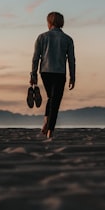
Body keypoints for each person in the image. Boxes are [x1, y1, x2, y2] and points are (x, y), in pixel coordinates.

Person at [30, 11, 75, 139]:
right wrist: (73, 76)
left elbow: (35, 58)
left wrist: (33, 74)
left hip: (45, 72)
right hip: (60, 72)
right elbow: (71, 60)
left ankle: (46, 122)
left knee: (51, 98)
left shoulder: (41, 37)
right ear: (61, 23)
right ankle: (50, 130)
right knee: (55, 100)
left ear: (49, 22)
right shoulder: (68, 39)